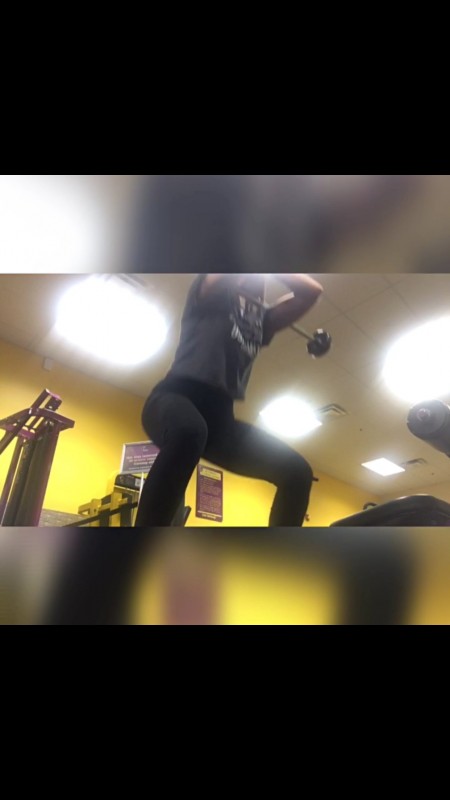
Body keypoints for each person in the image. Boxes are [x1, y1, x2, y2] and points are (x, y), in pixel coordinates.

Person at [135, 273, 324, 527]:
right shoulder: (210, 296)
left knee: (298, 472)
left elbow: (311, 291)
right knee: (190, 432)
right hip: (174, 397)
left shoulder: (262, 322)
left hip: (220, 421)